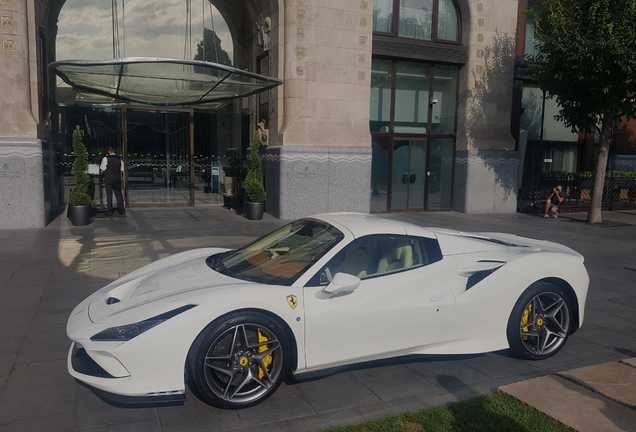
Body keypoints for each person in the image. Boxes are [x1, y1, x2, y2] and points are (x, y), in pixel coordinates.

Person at [100, 146, 125, 216]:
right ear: (114, 150)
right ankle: (121, 210)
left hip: (108, 178)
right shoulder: (119, 159)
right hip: (117, 178)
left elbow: (103, 169)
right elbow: (122, 170)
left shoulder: (105, 159)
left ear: (108, 151)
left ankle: (109, 211)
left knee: (109, 194)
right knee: (119, 194)